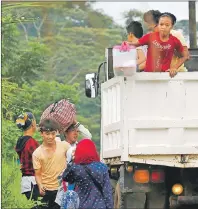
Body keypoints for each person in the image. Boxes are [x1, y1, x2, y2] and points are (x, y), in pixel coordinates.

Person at [128, 13, 189, 78]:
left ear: (171, 26)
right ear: (158, 25)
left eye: (167, 25)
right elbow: (135, 45)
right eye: (161, 24)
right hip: (148, 75)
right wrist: (125, 45)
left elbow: (185, 56)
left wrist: (174, 68)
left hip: (164, 76)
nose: (163, 27)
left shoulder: (174, 40)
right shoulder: (150, 36)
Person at [62, 139, 113, 209]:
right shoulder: (102, 167)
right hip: (100, 206)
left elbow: (65, 177)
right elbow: (107, 192)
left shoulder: (76, 168)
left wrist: (72, 161)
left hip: (82, 205)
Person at [32, 119, 70, 209]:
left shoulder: (64, 146)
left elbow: (74, 157)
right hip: (46, 190)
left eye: (53, 133)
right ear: (42, 133)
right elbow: (37, 174)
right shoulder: (37, 153)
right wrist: (40, 185)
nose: (50, 137)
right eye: (47, 134)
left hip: (62, 189)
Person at [15, 112, 40, 201]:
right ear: (32, 123)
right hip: (33, 181)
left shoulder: (20, 141)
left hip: (25, 182)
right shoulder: (32, 143)